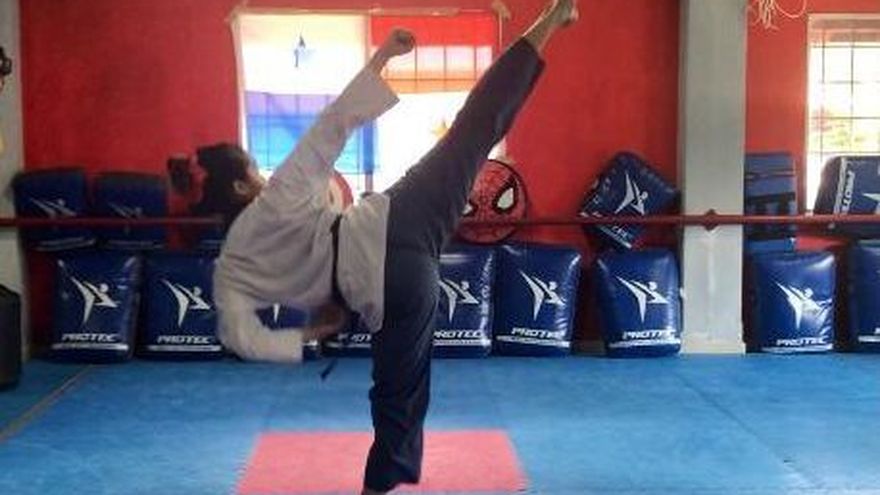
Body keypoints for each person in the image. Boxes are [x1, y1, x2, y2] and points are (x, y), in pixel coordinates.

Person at [182, 1, 578, 492]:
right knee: (476, 127)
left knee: (397, 395)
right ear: (241, 186)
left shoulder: (230, 267)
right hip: (398, 217)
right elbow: (333, 125)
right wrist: (383, 57)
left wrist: (306, 335)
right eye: (252, 169)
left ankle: (377, 487)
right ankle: (551, 19)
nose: (261, 175)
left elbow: (240, 337)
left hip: (386, 289)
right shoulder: (278, 194)